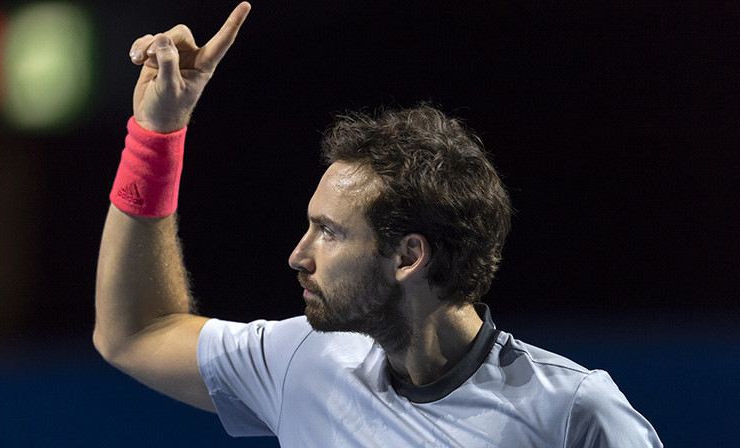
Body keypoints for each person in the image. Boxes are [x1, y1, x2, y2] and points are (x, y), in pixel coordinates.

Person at [93, 3, 663, 446]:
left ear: (408, 256)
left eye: (330, 231)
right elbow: (134, 332)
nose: (298, 255)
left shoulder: (572, 416)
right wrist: (156, 136)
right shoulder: (303, 361)